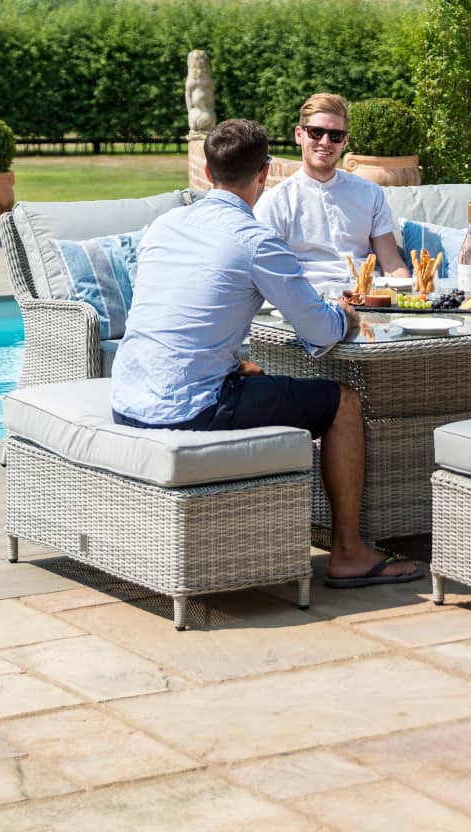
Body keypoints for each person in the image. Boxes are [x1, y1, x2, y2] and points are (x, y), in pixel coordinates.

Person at [111, 118, 421, 589]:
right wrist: (346, 313)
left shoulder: (165, 224)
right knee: (343, 402)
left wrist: (234, 363)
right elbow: (319, 332)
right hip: (191, 408)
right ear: (264, 173)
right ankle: (349, 553)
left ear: (210, 173)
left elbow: (173, 318)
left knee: (254, 374)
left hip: (128, 399)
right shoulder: (255, 240)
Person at [254, 92, 409, 287]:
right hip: (310, 299)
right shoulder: (276, 201)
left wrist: (413, 299)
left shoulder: (370, 193)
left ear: (344, 142)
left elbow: (392, 264)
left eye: (335, 135)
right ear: (299, 135)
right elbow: (268, 273)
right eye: (316, 133)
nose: (325, 142)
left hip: (367, 295)